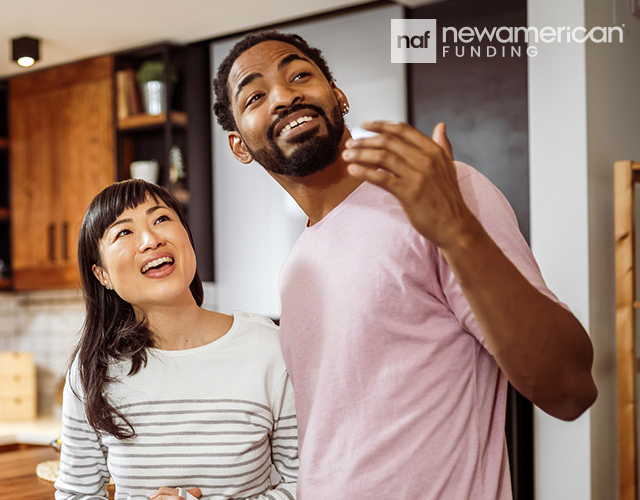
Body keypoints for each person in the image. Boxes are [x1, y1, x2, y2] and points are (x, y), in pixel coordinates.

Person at [212, 30, 597, 498]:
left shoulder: (446, 191)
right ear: (238, 146)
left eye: (299, 76)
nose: (285, 96)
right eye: (255, 95)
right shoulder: (297, 269)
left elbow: (569, 387)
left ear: (338, 97)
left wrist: (455, 229)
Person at [55, 180, 298, 500]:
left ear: (187, 237)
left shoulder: (267, 347)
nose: (151, 239)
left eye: (161, 219)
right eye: (124, 232)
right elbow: (76, 493)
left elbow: (309, 480)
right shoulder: (93, 370)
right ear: (103, 275)